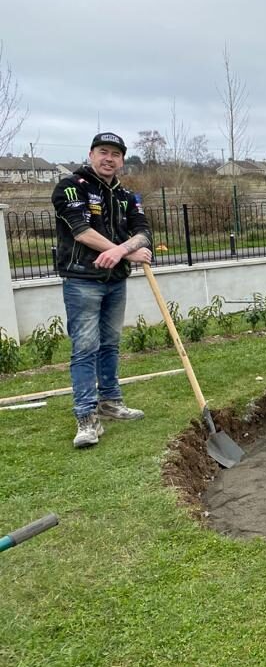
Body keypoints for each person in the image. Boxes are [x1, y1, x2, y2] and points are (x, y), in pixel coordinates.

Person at [51, 132, 153, 449]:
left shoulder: (127, 196)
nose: (109, 158)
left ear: (122, 160)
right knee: (85, 347)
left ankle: (110, 401)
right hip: (82, 278)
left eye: (116, 154)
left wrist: (123, 251)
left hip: (115, 280)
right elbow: (82, 232)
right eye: (103, 152)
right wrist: (125, 251)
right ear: (91, 154)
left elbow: (144, 233)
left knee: (110, 343)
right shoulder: (70, 187)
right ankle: (86, 417)